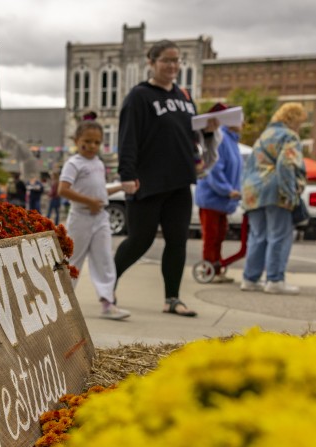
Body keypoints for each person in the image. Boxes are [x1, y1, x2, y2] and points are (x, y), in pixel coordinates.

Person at [114, 39, 221, 318]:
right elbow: (128, 138)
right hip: (147, 180)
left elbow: (193, 136)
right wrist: (127, 174)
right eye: (167, 60)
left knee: (178, 241)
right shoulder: (139, 96)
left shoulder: (185, 96)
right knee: (140, 240)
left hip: (180, 180)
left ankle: (172, 298)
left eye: (177, 61)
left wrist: (208, 131)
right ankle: (106, 286)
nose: (173, 66)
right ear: (152, 62)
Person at [59, 115, 129, 320]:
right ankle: (63, 301)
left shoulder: (99, 163)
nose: (91, 146)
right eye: (87, 141)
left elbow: (100, 193)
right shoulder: (74, 163)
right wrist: (88, 201)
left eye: (96, 142)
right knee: (73, 260)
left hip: (101, 219)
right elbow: (63, 189)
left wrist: (122, 187)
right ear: (76, 141)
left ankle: (108, 302)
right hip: (80, 218)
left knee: (105, 259)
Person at [239, 102, 308, 294]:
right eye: (300, 121)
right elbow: (286, 164)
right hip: (275, 190)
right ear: (293, 119)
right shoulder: (289, 135)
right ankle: (275, 280)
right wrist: (290, 192)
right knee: (279, 235)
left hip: (253, 191)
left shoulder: (264, 136)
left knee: (257, 236)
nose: (300, 126)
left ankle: (250, 278)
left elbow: (249, 167)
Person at [195, 102, 243, 283]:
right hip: (212, 198)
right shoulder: (221, 138)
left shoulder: (233, 141)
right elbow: (214, 168)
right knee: (211, 235)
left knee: (220, 234)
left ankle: (216, 266)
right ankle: (209, 268)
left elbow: (234, 169)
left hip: (222, 200)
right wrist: (227, 190)